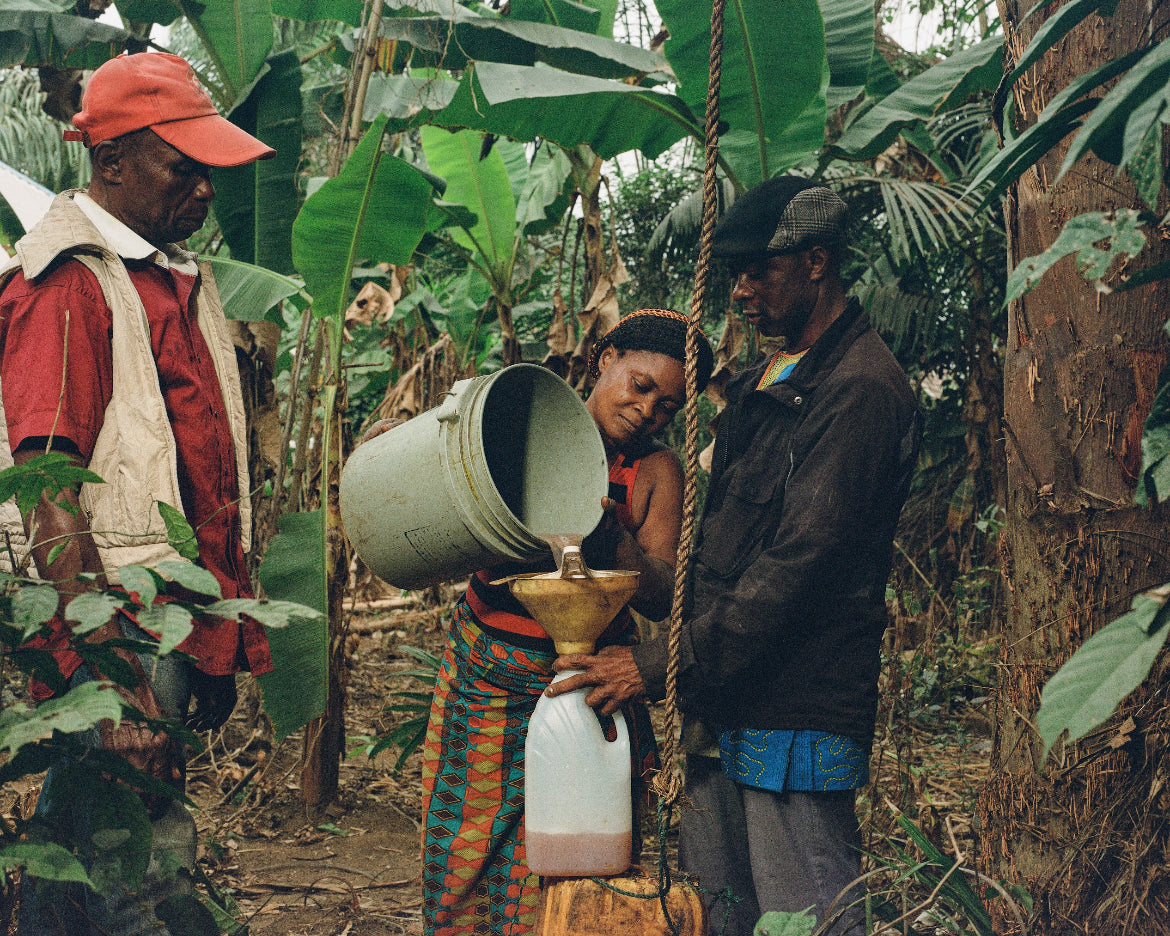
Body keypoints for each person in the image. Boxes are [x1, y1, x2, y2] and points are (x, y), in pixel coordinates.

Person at [546, 177, 921, 935]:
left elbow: (796, 570)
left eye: (759, 271)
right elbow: (704, 566)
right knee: (723, 916)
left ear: (816, 264)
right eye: (735, 273)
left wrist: (655, 668)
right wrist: (604, 530)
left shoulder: (859, 389)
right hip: (723, 704)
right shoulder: (760, 384)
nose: (742, 291)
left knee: (807, 915)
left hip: (794, 713)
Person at [0, 52, 277, 934]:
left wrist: (221, 632)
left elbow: (196, 474)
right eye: (182, 167)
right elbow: (48, 494)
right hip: (117, 626)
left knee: (83, 851)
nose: (203, 190)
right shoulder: (67, 288)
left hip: (174, 619)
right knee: (143, 876)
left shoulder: (172, 280)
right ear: (111, 161)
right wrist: (111, 677)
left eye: (209, 172)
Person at [398, 310, 713, 936]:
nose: (649, 410)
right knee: (467, 845)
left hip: (591, 681)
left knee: (581, 858)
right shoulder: (524, 423)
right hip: (487, 677)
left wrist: (619, 546)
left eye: (669, 406)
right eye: (641, 385)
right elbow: (445, 493)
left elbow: (659, 596)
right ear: (606, 358)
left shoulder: (655, 472)